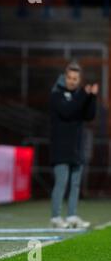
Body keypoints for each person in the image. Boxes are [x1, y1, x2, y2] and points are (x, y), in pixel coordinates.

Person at [49, 61, 98, 229]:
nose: (72, 81)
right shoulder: (56, 94)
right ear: (65, 77)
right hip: (60, 147)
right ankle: (56, 217)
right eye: (70, 77)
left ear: (79, 79)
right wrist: (84, 95)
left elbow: (89, 115)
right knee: (61, 182)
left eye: (75, 78)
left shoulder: (79, 96)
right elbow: (68, 111)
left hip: (77, 147)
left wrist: (92, 97)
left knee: (75, 183)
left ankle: (71, 215)